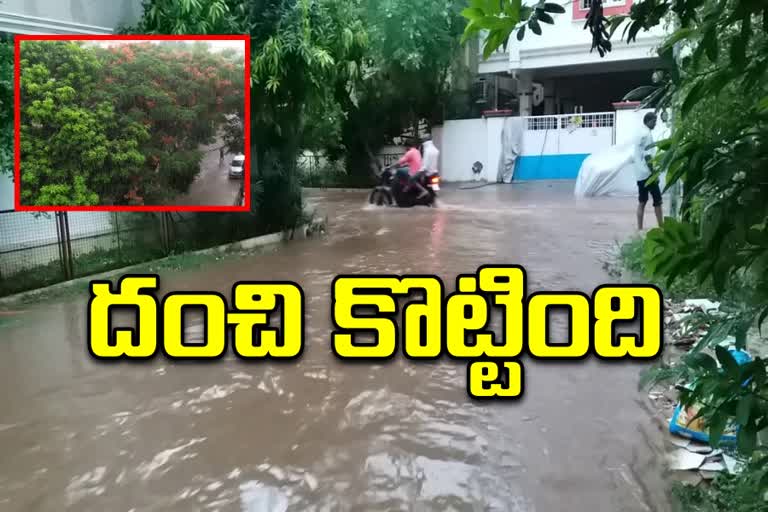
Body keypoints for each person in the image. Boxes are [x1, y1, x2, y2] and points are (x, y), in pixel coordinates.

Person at [633, 112, 663, 230]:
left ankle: (639, 229)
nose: (655, 124)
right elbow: (648, 156)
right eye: (654, 121)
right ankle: (662, 228)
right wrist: (654, 173)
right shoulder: (647, 135)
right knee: (658, 201)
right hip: (648, 174)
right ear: (648, 121)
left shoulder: (639, 133)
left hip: (640, 175)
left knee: (642, 201)